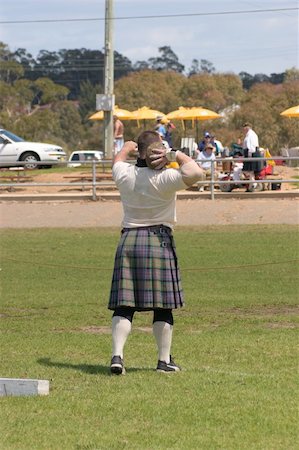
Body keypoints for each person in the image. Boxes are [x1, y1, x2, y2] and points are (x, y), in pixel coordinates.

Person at [108, 130, 204, 375]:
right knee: (163, 307)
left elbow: (117, 160)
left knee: (124, 304)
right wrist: (173, 154)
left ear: (139, 152)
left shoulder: (124, 174)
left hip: (129, 240)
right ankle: (164, 361)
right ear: (159, 151)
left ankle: (117, 356)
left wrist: (127, 148)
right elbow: (196, 172)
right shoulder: (167, 177)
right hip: (158, 240)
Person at [242, 122, 259, 192]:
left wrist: (249, 155)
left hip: (251, 153)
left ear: (248, 127)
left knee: (249, 170)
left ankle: (253, 184)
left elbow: (251, 146)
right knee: (250, 171)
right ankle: (251, 185)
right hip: (249, 153)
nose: (244, 129)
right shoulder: (248, 134)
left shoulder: (251, 135)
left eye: (245, 127)